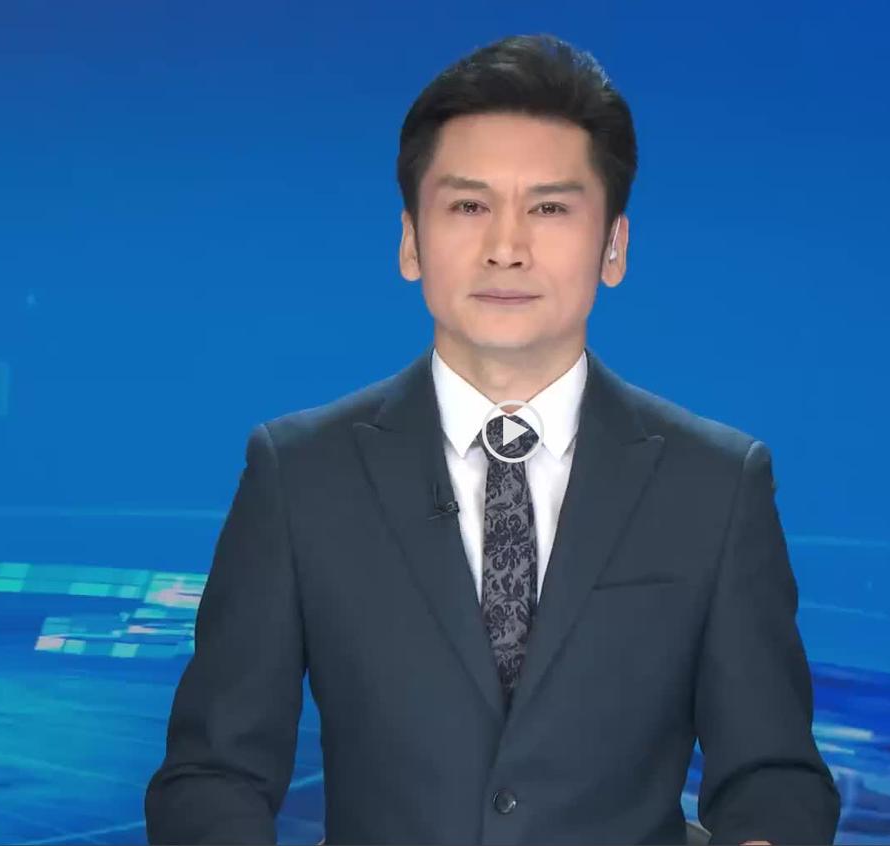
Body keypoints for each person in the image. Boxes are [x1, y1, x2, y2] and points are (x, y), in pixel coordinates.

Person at [145, 33, 840, 846]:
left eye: (549, 209)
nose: (506, 249)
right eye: (469, 207)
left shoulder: (716, 485)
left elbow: (772, 777)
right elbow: (213, 775)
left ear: (614, 246)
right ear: (411, 240)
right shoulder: (300, 475)